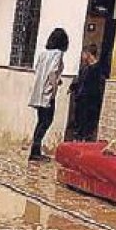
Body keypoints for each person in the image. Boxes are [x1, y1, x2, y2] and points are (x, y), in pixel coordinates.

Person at [27, 27, 68, 161]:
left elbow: (38, 70)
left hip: (38, 91)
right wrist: (54, 88)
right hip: (47, 94)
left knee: (41, 121)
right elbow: (52, 73)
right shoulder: (58, 54)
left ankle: (35, 150)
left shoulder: (43, 54)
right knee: (46, 121)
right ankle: (35, 151)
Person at [68, 44, 107, 141]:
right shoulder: (84, 68)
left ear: (88, 54)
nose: (82, 56)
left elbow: (99, 86)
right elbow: (79, 80)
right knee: (78, 124)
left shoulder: (98, 69)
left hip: (91, 102)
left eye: (83, 54)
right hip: (81, 100)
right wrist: (72, 88)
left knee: (87, 126)